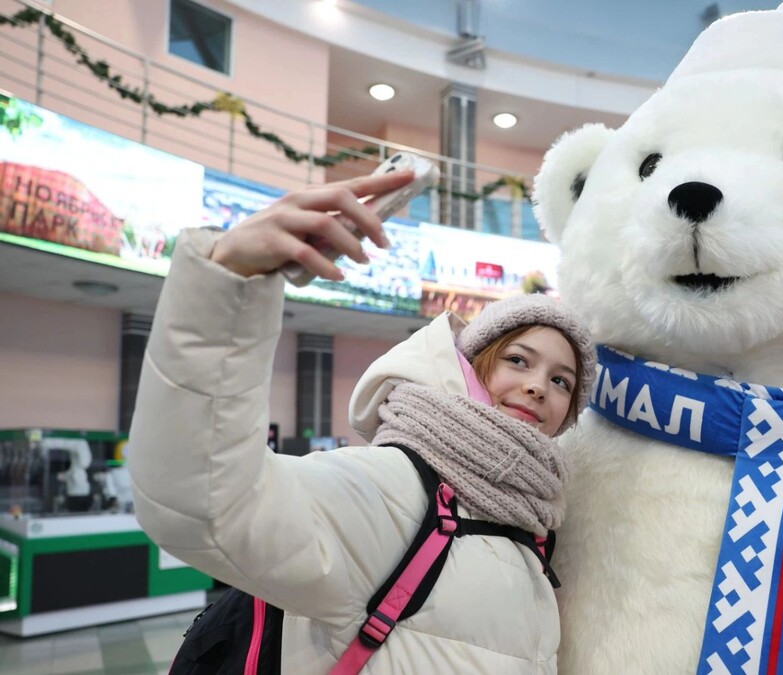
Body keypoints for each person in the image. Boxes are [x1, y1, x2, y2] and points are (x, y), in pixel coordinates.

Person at [126, 170, 596, 674]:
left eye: (562, 381)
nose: (538, 387)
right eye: (519, 361)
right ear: (475, 364)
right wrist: (226, 287)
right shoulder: (397, 487)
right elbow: (211, 502)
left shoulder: (535, 524)